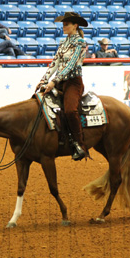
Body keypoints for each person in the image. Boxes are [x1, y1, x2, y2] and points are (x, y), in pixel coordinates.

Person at [35, 12, 89, 161]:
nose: (64, 27)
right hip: (61, 82)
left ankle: (79, 144)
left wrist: (54, 81)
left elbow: (71, 65)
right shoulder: (63, 43)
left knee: (71, 110)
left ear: (75, 25)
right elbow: (55, 63)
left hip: (73, 83)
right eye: (63, 24)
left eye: (66, 24)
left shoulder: (80, 43)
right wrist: (44, 80)